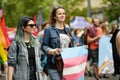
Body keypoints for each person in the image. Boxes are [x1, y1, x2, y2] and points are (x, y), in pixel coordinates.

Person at [41, 6, 74, 80]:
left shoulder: (68, 30)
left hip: (67, 64)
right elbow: (44, 46)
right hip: (53, 64)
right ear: (54, 17)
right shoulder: (48, 30)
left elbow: (72, 46)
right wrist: (52, 51)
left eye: (64, 13)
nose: (62, 15)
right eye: (59, 14)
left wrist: (82, 48)